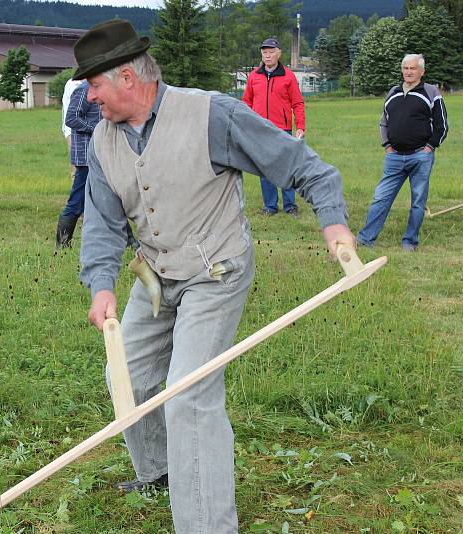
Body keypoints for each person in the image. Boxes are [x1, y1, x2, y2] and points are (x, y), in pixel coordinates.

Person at [74, 20, 355, 533]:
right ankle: (159, 471)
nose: (89, 98)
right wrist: (101, 285)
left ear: (127, 80)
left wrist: (332, 221)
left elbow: (301, 165)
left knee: (189, 392)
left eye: (94, 85)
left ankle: (207, 525)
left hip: (215, 270)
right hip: (156, 273)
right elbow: (102, 223)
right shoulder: (102, 143)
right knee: (128, 376)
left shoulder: (211, 115)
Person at [357, 54, 448, 252]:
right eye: (405, 68)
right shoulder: (393, 92)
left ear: (421, 71)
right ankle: (365, 239)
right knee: (381, 198)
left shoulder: (431, 92)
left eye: (413, 68)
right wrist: (387, 146)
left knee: (417, 202)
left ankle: (409, 242)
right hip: (394, 157)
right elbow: (384, 122)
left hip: (420, 156)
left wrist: (429, 147)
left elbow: (442, 126)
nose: (408, 72)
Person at [242, 37, 305, 217]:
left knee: (286, 167)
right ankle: (270, 206)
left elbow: (298, 103)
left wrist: (300, 126)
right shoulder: (254, 76)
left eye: (271, 52)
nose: (267, 56)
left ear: (279, 53)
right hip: (260, 130)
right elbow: (246, 102)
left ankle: (290, 206)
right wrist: (247, 124)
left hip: (282, 129)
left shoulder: (288, 76)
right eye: (264, 52)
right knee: (265, 168)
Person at [56, 81, 100, 248]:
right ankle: (62, 244)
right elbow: (71, 118)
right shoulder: (83, 90)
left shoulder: (101, 88)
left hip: (99, 154)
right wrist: (95, 128)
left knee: (106, 199)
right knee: (77, 200)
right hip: (85, 156)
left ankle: (127, 241)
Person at [61, 77, 83, 178]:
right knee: (77, 163)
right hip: (72, 128)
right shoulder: (72, 83)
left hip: (88, 127)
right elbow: (68, 109)